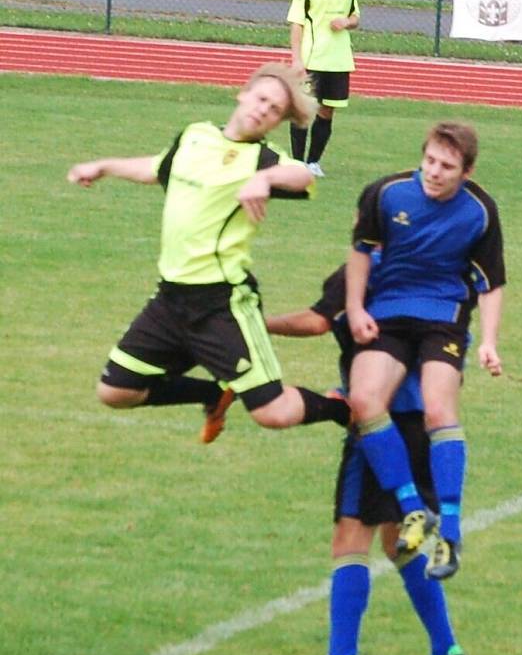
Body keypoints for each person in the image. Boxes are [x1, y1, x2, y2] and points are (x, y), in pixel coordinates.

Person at [66, 62, 350, 441]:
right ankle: (213, 393)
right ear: (243, 94)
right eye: (262, 99)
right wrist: (104, 166)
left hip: (221, 305)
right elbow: (156, 168)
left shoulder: (262, 159)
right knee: (117, 391)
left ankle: (341, 409)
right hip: (170, 300)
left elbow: (301, 175)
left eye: (275, 110)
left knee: (273, 413)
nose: (264, 110)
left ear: (277, 122)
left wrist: (263, 180)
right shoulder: (195, 135)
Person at [267, 263, 471, 655]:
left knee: (350, 539)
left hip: (381, 427)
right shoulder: (436, 271)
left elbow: (318, 320)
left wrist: (257, 323)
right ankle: (445, 652)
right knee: (396, 540)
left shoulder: (366, 268)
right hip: (425, 426)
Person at [345, 121, 506, 582]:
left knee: (438, 409)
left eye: (448, 167)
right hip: (389, 313)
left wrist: (490, 341)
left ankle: (450, 533)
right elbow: (360, 252)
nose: (435, 173)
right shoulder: (386, 194)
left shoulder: (479, 211)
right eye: (430, 161)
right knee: (364, 401)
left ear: (466, 171)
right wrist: (356, 307)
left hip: (442, 316)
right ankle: (415, 509)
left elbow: (491, 283)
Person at [287, 0, 360, 178]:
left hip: (338, 60)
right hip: (312, 59)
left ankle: (313, 162)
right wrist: (297, 59)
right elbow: (296, 22)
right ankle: (297, 163)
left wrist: (346, 22)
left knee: (327, 112)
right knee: (302, 111)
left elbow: (355, 17)